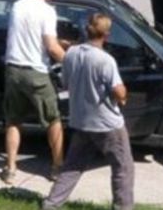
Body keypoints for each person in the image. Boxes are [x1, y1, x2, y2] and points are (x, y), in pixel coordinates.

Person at [42, 13, 133, 210]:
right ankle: (123, 207)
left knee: (72, 166)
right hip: (108, 124)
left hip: (81, 121)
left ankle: (51, 204)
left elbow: (65, 83)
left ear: (87, 29)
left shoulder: (71, 54)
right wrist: (123, 95)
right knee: (122, 168)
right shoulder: (105, 60)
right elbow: (119, 91)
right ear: (106, 35)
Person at [0, 0, 67, 184]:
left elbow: (28, 33)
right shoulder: (47, 11)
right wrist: (72, 59)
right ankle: (57, 167)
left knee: (13, 120)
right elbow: (51, 48)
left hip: (13, 70)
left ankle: (10, 168)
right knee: (53, 120)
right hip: (36, 73)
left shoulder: (18, 5)